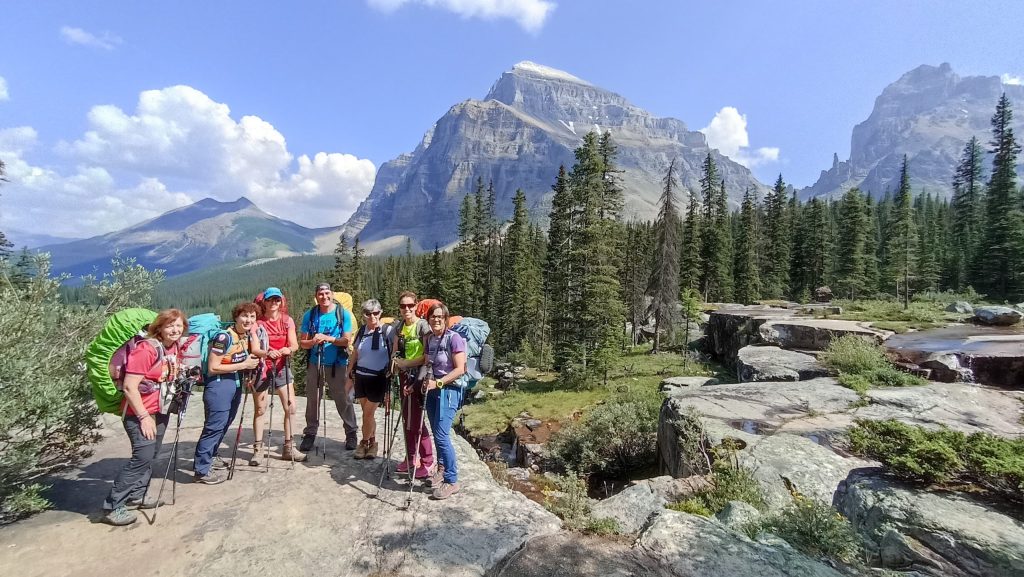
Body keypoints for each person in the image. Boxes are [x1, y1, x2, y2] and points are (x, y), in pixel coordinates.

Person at [101, 309, 187, 526]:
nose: (175, 330)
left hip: (160, 410)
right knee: (142, 456)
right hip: (139, 413)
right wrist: (143, 417)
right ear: (159, 328)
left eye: (178, 325)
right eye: (170, 325)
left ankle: (137, 495)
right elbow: (130, 387)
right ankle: (113, 505)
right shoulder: (146, 349)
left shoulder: (173, 348)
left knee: (152, 454)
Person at [193, 302, 261, 485]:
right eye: (244, 316)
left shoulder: (243, 336)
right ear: (236, 317)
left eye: (252, 316)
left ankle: (211, 456)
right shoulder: (224, 337)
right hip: (218, 386)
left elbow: (238, 358)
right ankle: (201, 469)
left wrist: (245, 372)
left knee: (224, 424)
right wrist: (244, 365)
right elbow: (213, 367)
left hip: (234, 384)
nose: (248, 320)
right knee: (214, 426)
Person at [249, 287, 306, 464]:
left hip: (281, 367)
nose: (274, 303)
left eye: (277, 300)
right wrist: (267, 353)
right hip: (261, 369)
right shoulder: (257, 323)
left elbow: (294, 344)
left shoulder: (287, 321)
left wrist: (287, 349)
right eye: (270, 300)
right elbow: (255, 348)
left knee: (291, 407)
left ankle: (289, 447)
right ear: (264, 302)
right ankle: (258, 449)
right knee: (260, 409)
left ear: (281, 302)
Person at [299, 283, 358, 453]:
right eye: (320, 294)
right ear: (316, 296)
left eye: (327, 293)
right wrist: (313, 342)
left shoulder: (342, 314)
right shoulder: (310, 315)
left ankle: (351, 432)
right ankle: (310, 432)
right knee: (313, 399)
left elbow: (346, 340)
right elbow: (303, 342)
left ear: (332, 294)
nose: (324, 297)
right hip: (314, 362)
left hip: (337, 364)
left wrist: (328, 338)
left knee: (342, 398)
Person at [421, 302, 467, 500]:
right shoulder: (429, 338)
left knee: (441, 434)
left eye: (440, 316)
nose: (436, 319)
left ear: (446, 319)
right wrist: (420, 382)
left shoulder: (454, 338)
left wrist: (438, 383)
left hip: (449, 390)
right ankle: (441, 469)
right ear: (428, 319)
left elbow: (460, 369)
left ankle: (452, 480)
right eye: (433, 316)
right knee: (436, 431)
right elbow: (425, 363)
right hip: (432, 389)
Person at [391, 291, 435, 479]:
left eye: (410, 305)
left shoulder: (423, 326)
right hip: (403, 377)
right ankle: (411, 458)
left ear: (416, 306)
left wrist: (406, 364)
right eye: (403, 306)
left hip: (419, 378)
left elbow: (427, 357)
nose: (407, 309)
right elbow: (394, 351)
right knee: (407, 419)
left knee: (416, 421)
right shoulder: (399, 327)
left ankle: (427, 460)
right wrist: (395, 363)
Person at [347, 299, 398, 459]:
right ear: (364, 315)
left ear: (380, 313)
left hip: (378, 378)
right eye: (368, 313)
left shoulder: (388, 331)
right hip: (361, 377)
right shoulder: (362, 331)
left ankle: (363, 442)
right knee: (366, 413)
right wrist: (349, 374)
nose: (372, 316)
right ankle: (373, 443)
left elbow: (395, 352)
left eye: (375, 313)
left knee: (367, 415)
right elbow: (355, 353)